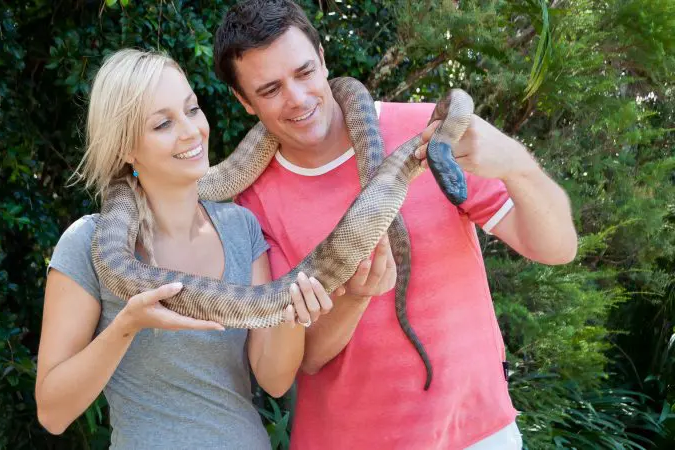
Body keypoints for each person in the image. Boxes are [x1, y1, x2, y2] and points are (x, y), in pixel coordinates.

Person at [213, 1, 579, 449]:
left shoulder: (428, 135)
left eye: (305, 72)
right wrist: (354, 298)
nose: (298, 98)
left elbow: (558, 248)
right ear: (243, 102)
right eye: (270, 89)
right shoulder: (252, 203)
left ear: (324, 59)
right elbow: (299, 364)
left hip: (477, 434)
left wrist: (517, 165)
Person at [34, 48, 335, 449]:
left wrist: (293, 313)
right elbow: (53, 414)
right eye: (163, 124)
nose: (191, 131)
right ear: (126, 148)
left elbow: (274, 380)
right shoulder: (92, 243)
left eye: (192, 110)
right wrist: (128, 324)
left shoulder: (239, 227)